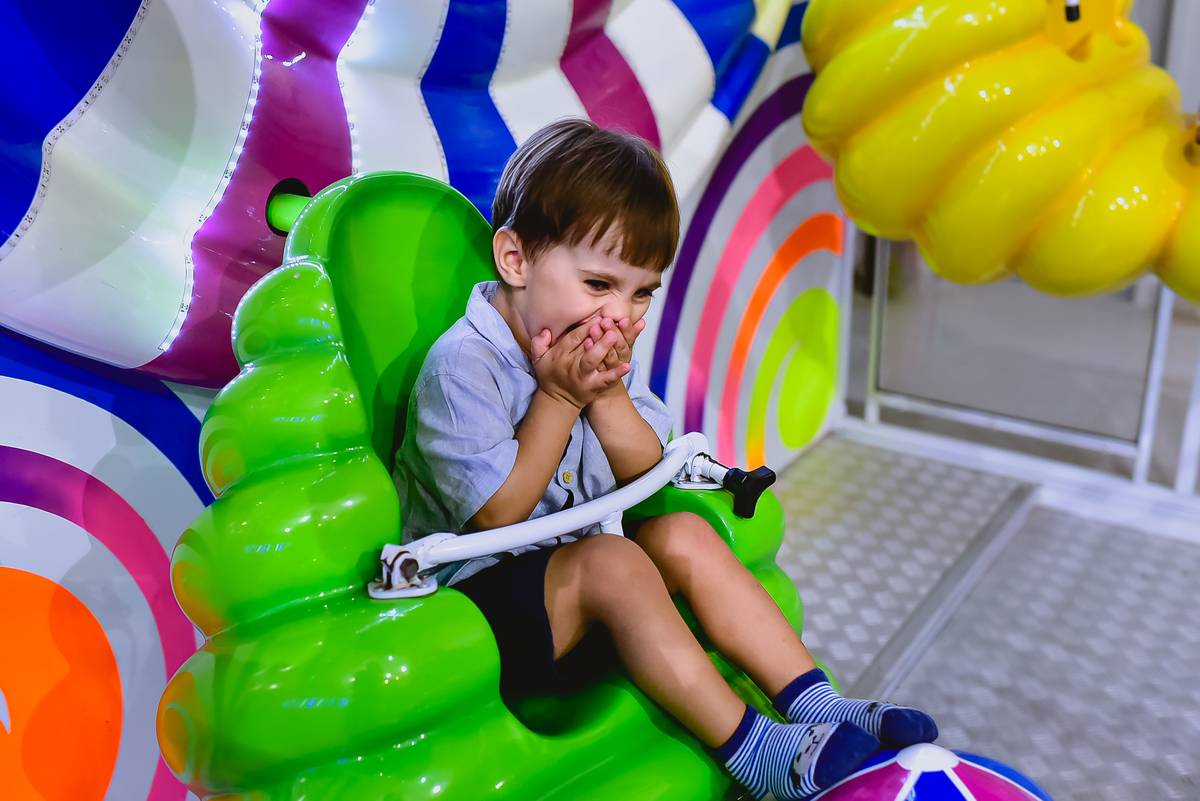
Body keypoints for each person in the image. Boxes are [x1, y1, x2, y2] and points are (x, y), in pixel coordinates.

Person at [393, 118, 937, 799]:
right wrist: (560, 398)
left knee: (682, 530)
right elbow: (499, 512)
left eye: (641, 291)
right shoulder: (462, 368)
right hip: (467, 620)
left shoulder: (594, 349)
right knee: (615, 563)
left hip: (571, 589)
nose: (621, 314)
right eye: (599, 284)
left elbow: (645, 469)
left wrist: (606, 393)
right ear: (516, 260)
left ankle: (817, 702)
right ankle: (757, 752)